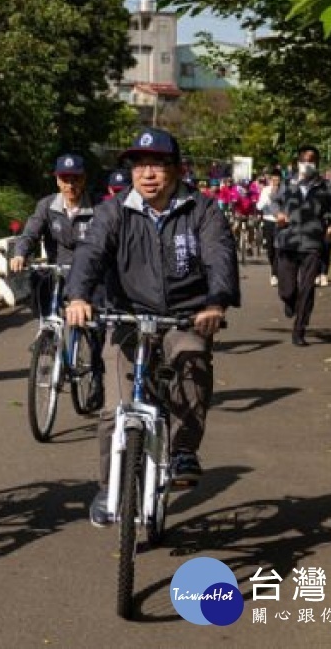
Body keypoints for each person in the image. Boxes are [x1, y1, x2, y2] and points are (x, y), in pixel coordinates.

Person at [65, 127, 240, 526]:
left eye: (158, 166)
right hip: (126, 315)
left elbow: (219, 257)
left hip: (186, 313)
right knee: (115, 406)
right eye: (140, 165)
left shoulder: (202, 209)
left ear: (176, 170)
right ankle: (109, 486)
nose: (147, 174)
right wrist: (78, 297)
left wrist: (215, 303)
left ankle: (182, 450)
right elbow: (90, 254)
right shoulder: (113, 211)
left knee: (191, 359)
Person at [9, 153, 105, 401]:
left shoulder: (98, 206)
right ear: (57, 180)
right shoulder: (47, 206)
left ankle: (97, 374)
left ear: (83, 179)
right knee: (38, 279)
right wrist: (20, 254)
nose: (70, 185)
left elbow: (108, 239)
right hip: (58, 270)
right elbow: (30, 233)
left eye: (75, 179)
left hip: (90, 274)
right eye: (65, 179)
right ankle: (47, 330)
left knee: (95, 325)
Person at [274, 145, 331, 347]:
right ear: (298, 162)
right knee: (287, 289)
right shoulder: (287, 185)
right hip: (287, 242)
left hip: (312, 244)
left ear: (317, 164)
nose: (308, 165)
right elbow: (273, 203)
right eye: (304, 160)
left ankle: (299, 330)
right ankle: (289, 301)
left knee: (307, 289)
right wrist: (278, 214)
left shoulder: (325, 188)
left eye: (312, 161)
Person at [256, 165, 284, 286]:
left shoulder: (284, 190)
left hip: (280, 222)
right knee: (271, 249)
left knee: (278, 248)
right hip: (268, 221)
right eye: (273, 179)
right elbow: (259, 206)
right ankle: (273, 268)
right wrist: (268, 199)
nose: (275, 182)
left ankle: (274, 274)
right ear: (270, 180)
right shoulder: (266, 190)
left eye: (277, 180)